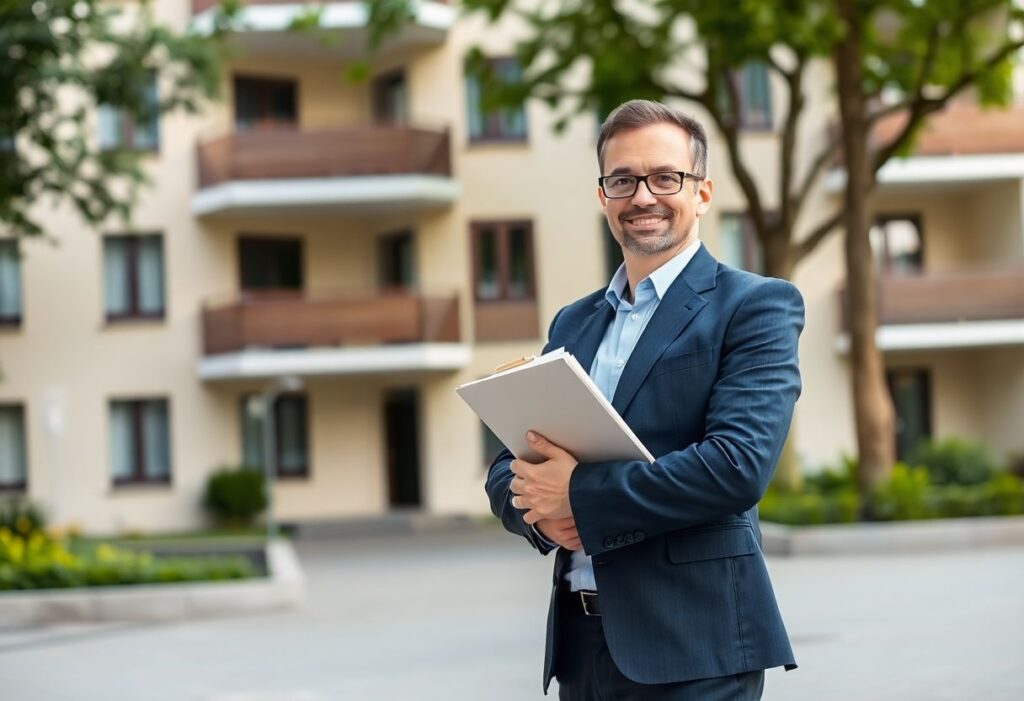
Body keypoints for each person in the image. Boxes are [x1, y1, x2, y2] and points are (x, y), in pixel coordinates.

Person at [484, 99, 803, 700]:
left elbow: (736, 467)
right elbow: (510, 461)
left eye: (665, 177)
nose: (642, 196)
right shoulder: (573, 323)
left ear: (702, 193)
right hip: (582, 649)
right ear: (603, 195)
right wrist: (541, 512)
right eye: (622, 180)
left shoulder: (756, 305)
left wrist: (577, 494)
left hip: (694, 649)